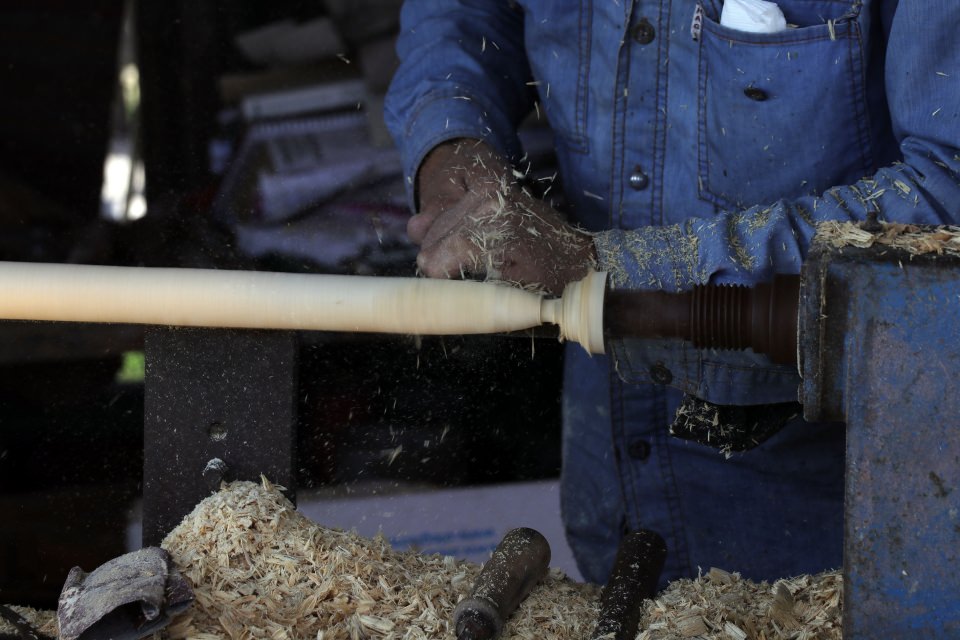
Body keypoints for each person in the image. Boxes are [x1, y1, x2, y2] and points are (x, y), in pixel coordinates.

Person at [384, 1, 960, 584]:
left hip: (835, 526)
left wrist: (602, 271)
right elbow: (463, 13)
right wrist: (450, 134)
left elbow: (948, 193)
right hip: (609, 478)